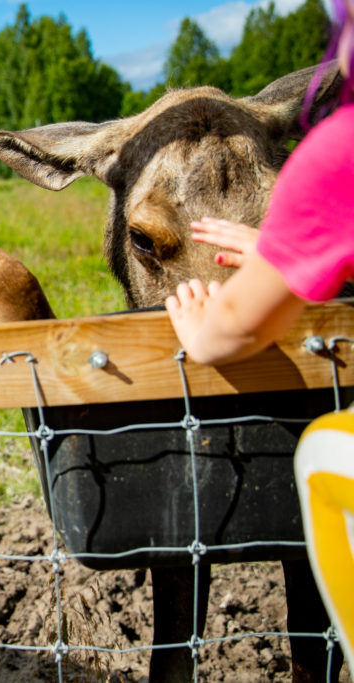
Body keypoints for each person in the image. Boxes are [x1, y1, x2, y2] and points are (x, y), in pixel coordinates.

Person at [165, 0, 354, 665]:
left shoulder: (340, 154)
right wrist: (297, 245)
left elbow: (226, 335)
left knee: (327, 451)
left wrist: (199, 323)